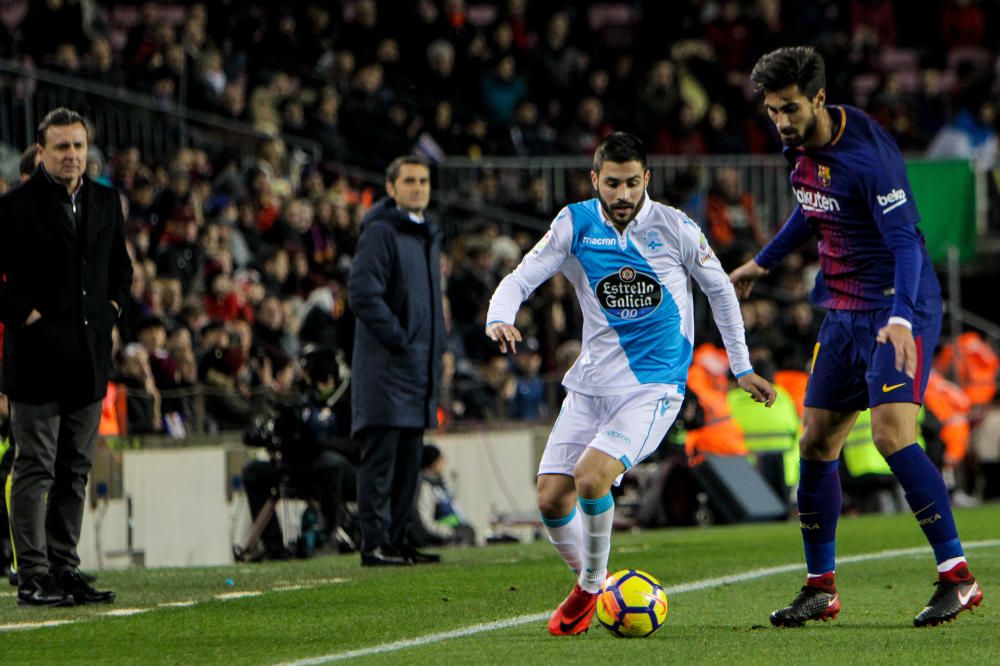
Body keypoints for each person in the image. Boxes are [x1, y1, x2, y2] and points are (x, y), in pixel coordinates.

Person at [730, 46, 982, 628]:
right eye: (772, 111)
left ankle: (958, 577)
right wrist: (763, 263)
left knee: (894, 436)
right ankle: (821, 587)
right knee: (816, 442)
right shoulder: (798, 145)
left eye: (790, 109)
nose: (781, 121)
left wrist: (899, 318)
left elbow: (905, 244)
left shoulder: (869, 156)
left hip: (899, 305)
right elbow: (810, 206)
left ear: (819, 98)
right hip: (843, 309)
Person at [485, 132, 776, 635]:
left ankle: (592, 586)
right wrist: (499, 315)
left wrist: (741, 366)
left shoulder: (675, 227)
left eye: (632, 183)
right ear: (595, 180)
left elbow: (722, 294)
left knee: (591, 477)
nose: (622, 195)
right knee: (552, 498)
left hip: (653, 389)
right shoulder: (575, 223)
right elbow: (522, 275)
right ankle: (594, 585)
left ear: (647, 180)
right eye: (612, 183)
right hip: (591, 386)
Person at [0, 107, 132, 607]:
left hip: (87, 359)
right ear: (40, 152)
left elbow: (121, 268)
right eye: (61, 147)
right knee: (35, 467)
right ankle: (32, 573)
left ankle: (64, 566)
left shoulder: (104, 200)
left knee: (74, 468)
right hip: (34, 360)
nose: (72, 155)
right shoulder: (15, 207)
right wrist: (26, 315)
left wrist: (110, 312)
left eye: (78, 146)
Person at [348, 155, 445, 567]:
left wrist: (437, 348)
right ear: (391, 187)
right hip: (387, 369)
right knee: (381, 460)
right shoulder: (381, 232)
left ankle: (399, 539)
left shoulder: (425, 233)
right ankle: (374, 543)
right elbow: (362, 293)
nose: (418, 187)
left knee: (409, 460)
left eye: (423, 180)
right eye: (409, 181)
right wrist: (400, 338)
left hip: (418, 367)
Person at [242, 346, 359, 559]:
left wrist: (322, 443)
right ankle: (273, 547)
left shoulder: (350, 402)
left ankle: (329, 534)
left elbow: (357, 447)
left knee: (330, 464)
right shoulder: (302, 400)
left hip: (343, 473)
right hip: (301, 468)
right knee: (254, 472)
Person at [409, 444, 476, 548]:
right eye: (441, 459)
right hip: (442, 539)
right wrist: (451, 533)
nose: (444, 462)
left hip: (455, 534)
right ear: (433, 462)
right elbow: (425, 522)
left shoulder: (439, 484)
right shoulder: (425, 486)